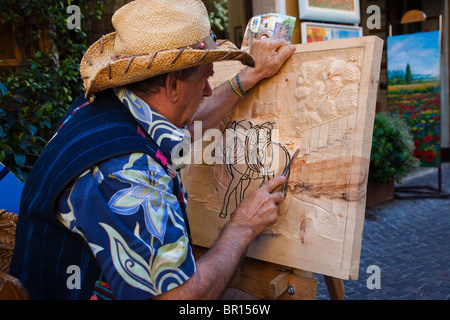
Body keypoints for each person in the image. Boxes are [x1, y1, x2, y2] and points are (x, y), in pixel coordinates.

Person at [10, 0, 295, 300]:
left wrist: (245, 79)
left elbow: (185, 128)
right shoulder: (126, 171)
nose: (209, 89)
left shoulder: (107, 106)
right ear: (173, 85)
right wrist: (242, 226)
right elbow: (181, 299)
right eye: (206, 78)